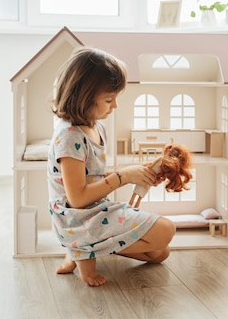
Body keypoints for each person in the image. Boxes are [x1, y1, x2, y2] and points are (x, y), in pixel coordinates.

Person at [47, 46, 176, 286]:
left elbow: (92, 177)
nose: (114, 106)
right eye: (109, 99)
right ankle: (80, 250)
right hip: (77, 218)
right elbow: (77, 199)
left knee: (160, 253)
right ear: (83, 96)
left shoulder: (97, 127)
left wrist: (140, 173)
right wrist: (124, 176)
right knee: (166, 230)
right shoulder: (69, 136)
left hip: (95, 211)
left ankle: (82, 249)